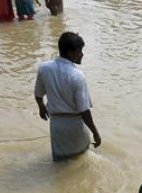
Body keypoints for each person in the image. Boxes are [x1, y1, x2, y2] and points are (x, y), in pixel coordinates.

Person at [34, 32, 102, 161]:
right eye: (80, 51)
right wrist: (95, 133)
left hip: (56, 125)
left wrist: (42, 108)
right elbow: (84, 111)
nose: (82, 54)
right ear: (71, 52)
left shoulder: (44, 68)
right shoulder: (77, 75)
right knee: (81, 160)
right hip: (74, 126)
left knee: (60, 161)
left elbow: (38, 94)